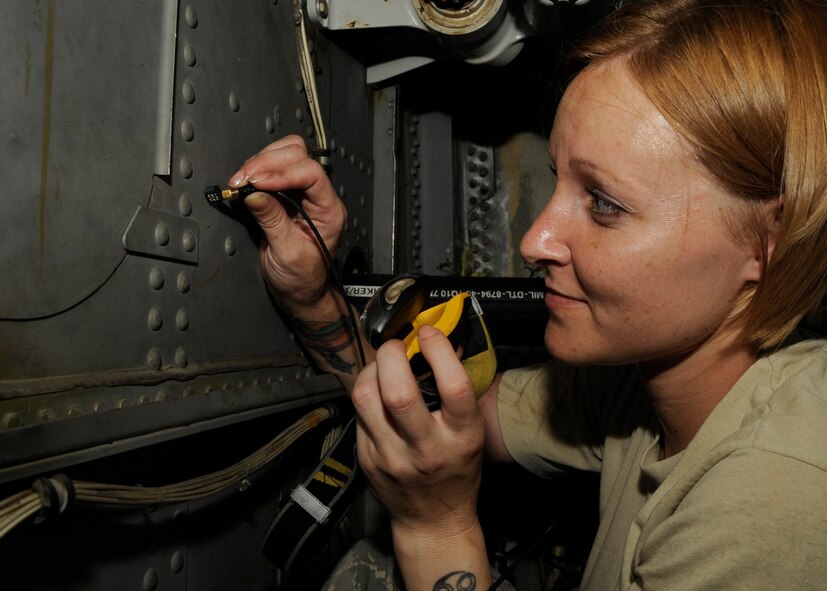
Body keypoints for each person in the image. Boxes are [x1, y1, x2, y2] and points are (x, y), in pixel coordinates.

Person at [229, 0, 827, 588]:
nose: (536, 240)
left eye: (604, 204)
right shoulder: (644, 381)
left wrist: (435, 530)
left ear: (765, 245)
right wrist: (314, 295)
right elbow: (429, 417)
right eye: (561, 178)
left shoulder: (776, 495)